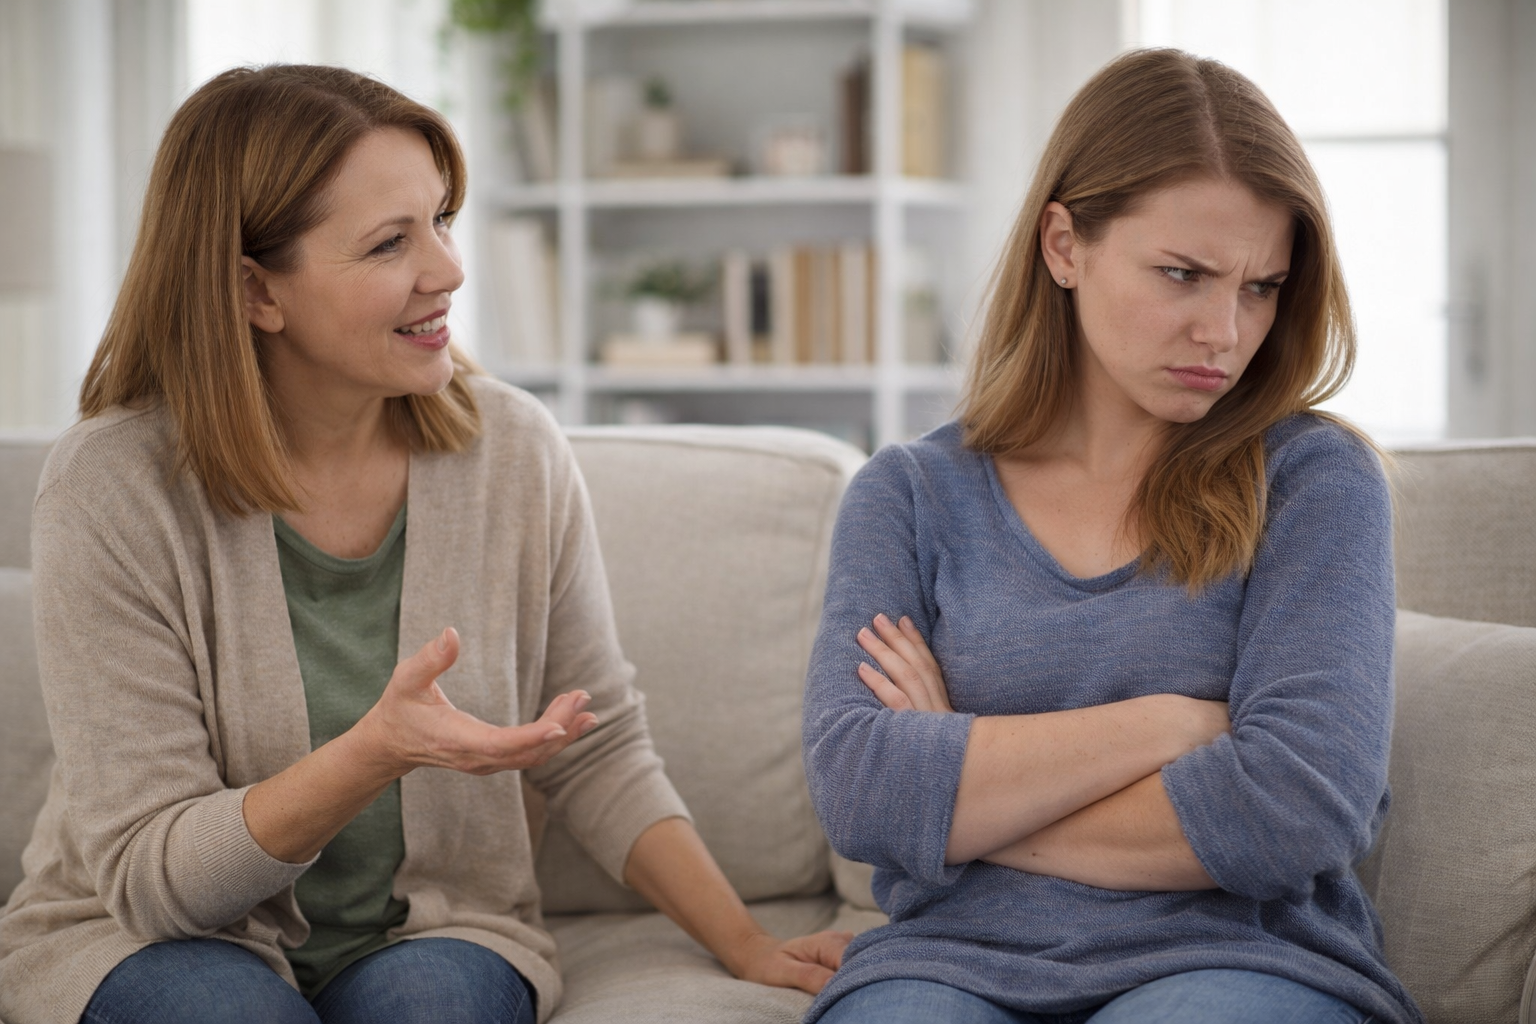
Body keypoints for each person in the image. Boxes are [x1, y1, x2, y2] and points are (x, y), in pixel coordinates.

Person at [0, 64, 849, 1024]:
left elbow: (595, 747)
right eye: (389, 243)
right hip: (148, 939)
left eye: (441, 219)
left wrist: (748, 943)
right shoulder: (113, 488)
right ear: (254, 291)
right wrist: (373, 753)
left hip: (432, 931)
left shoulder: (512, 451)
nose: (445, 269)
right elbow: (157, 885)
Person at [801, 48, 1422, 1024]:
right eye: (1183, 274)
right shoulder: (910, 493)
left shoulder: (1313, 480)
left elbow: (1298, 805)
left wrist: (957, 787)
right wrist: (1170, 725)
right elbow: (861, 792)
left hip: (1238, 964)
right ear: (1063, 244)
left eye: (1261, 286)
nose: (1224, 329)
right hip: (944, 965)